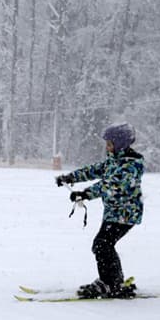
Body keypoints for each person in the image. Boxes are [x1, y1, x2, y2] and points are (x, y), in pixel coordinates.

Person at [55, 123, 143, 299]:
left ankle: (109, 283)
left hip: (126, 214)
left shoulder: (131, 165)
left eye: (110, 143)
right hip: (114, 213)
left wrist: (86, 193)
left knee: (102, 245)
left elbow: (110, 185)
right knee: (104, 245)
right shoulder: (114, 160)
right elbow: (95, 170)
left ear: (120, 144)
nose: (107, 147)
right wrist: (72, 177)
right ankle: (114, 281)